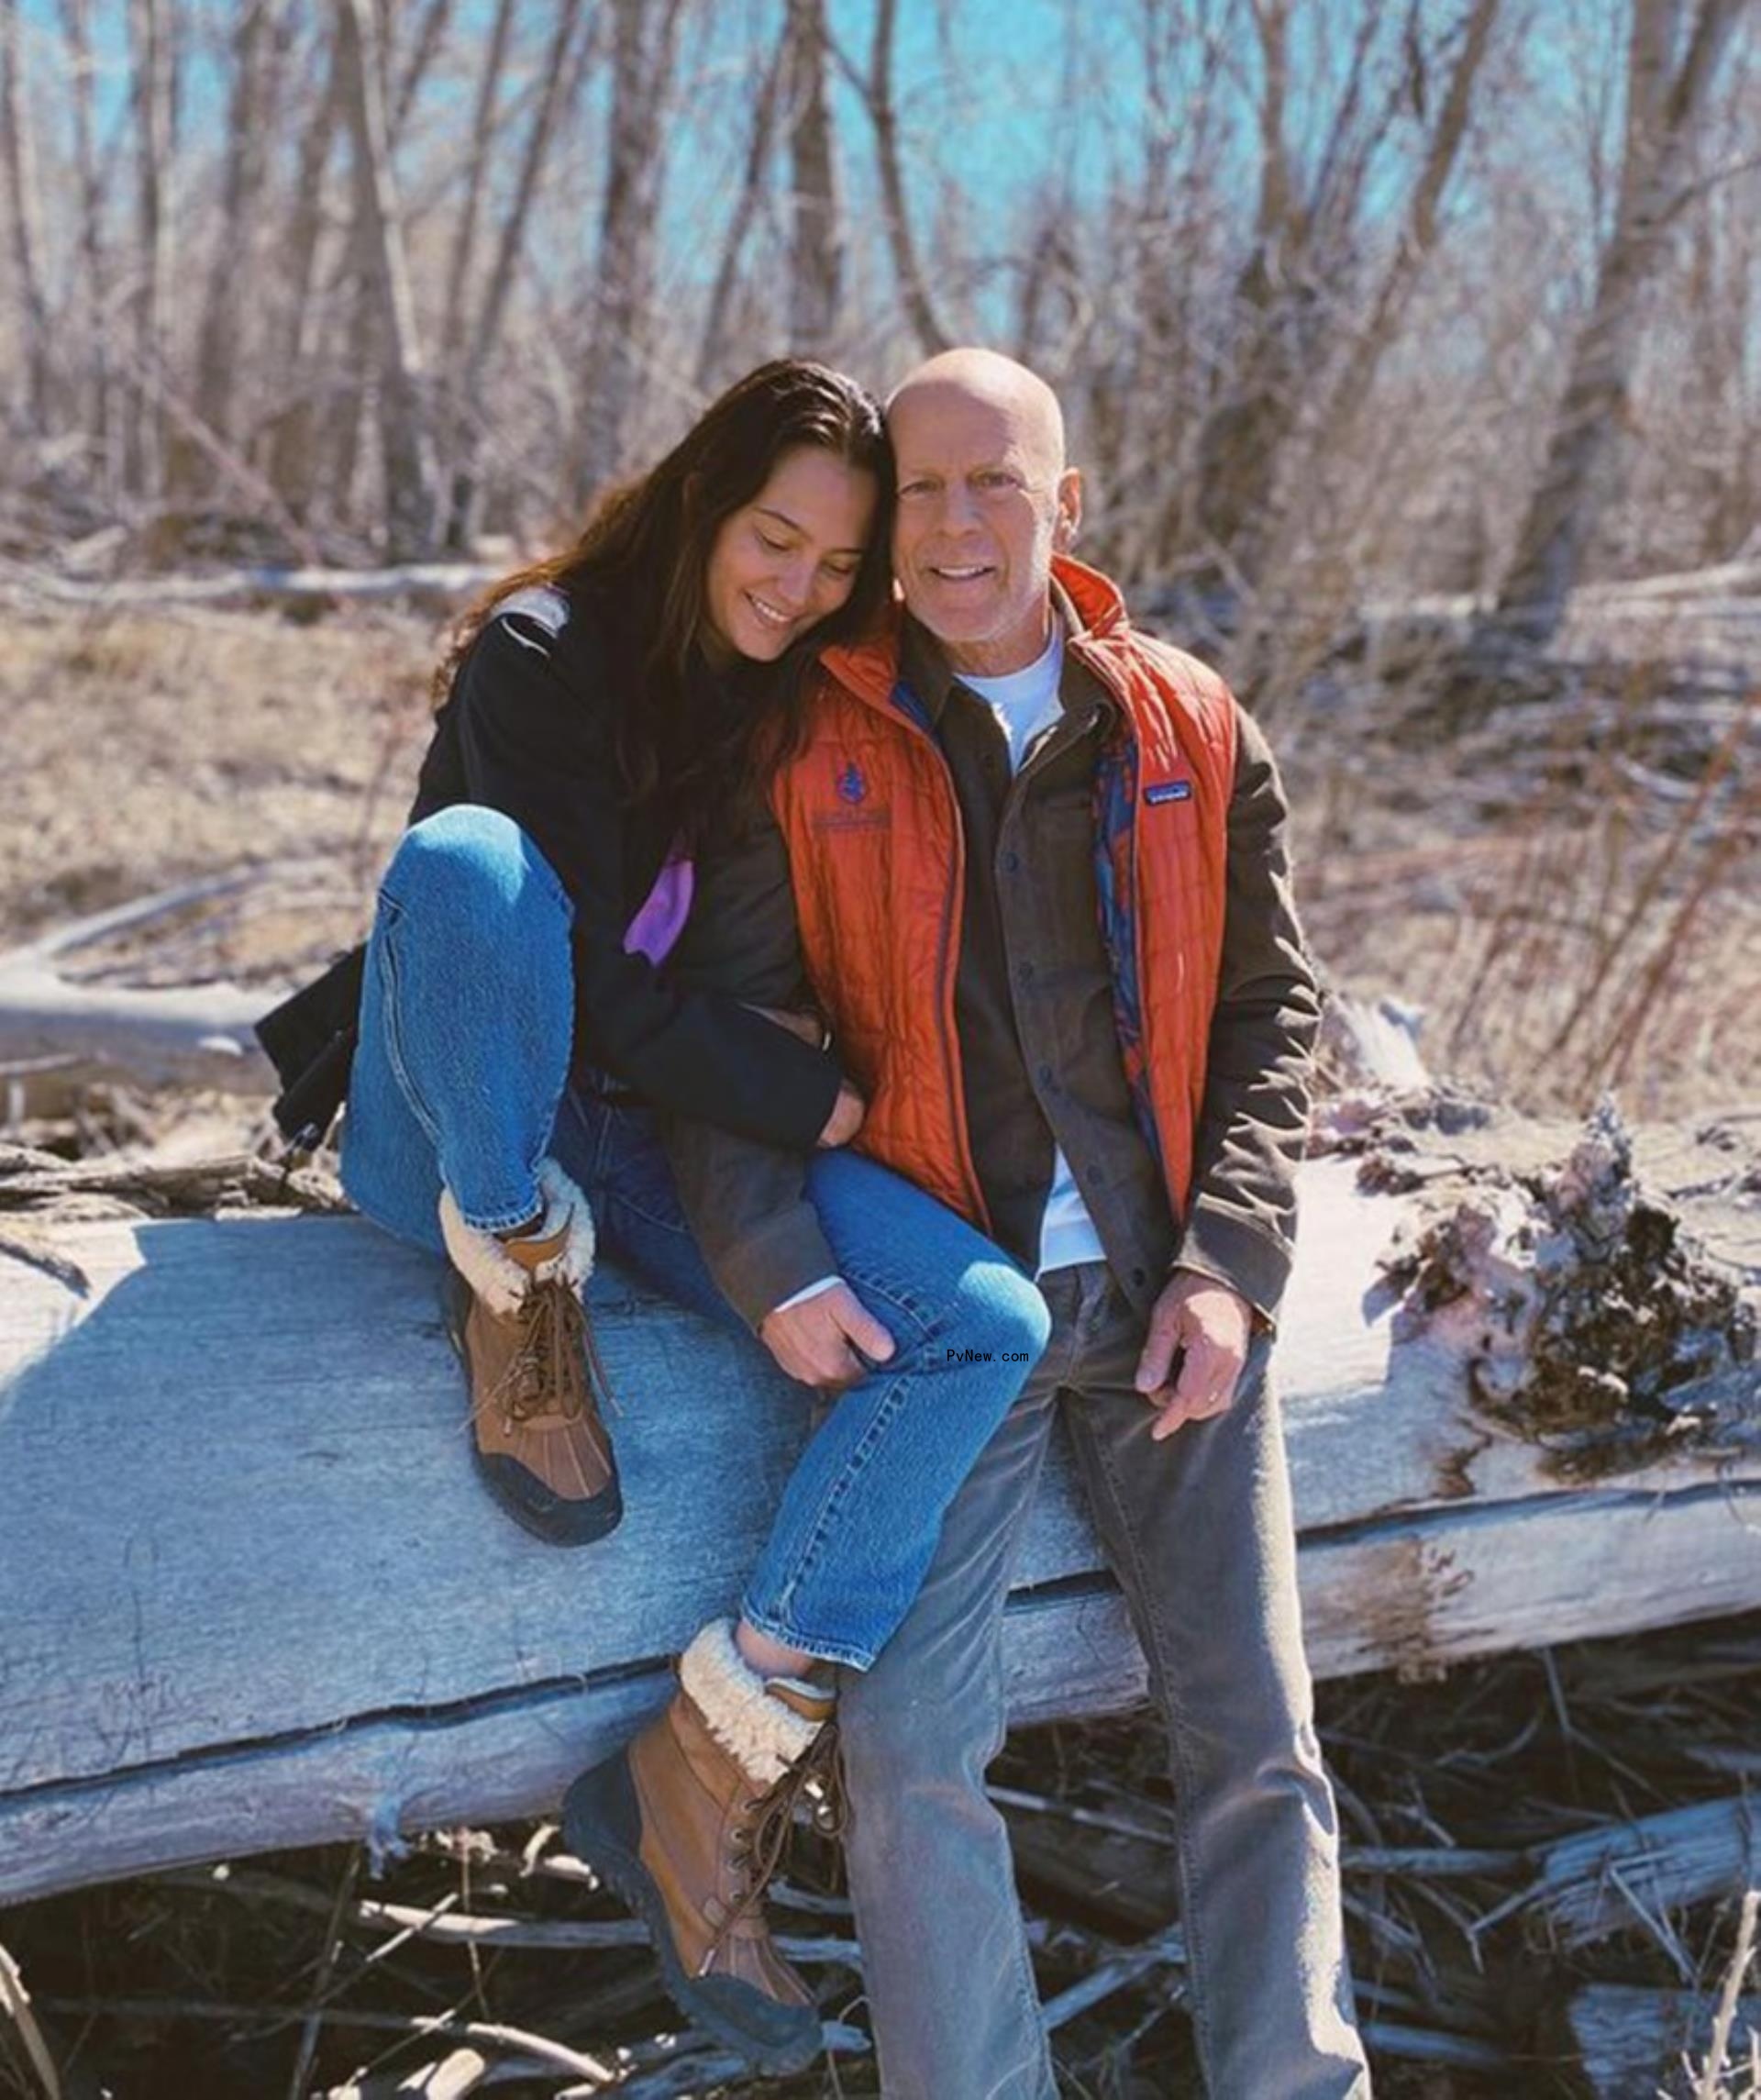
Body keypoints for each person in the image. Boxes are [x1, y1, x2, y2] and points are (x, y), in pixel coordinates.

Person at [257, 357, 1049, 2079]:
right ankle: (513, 1287)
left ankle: (707, 1759)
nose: (799, 586)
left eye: (835, 565)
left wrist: (791, 1163)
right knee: (474, 866)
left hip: (648, 1143)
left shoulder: (786, 701)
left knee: (984, 1319)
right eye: (774, 538)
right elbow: (590, 986)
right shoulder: (544, 652)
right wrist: (803, 1092)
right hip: (461, 1119)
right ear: (703, 501)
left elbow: (726, 992)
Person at [649, 349, 1372, 2096]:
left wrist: (1231, 1263)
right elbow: (724, 1034)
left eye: (998, 482)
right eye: (922, 486)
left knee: (1259, 1730)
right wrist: (772, 1254)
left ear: (1069, 502)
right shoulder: (802, 735)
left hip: (1163, 1296)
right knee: (907, 1751)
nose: (957, 522)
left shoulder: (1189, 724)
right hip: (948, 1315)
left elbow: (1271, 1013)